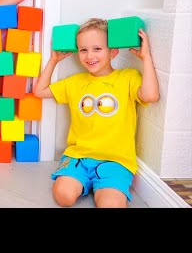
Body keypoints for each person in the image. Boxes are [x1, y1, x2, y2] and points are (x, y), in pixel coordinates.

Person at [33, 18, 159, 208]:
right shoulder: (75, 82)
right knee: (63, 196)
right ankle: (87, 182)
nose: (89, 55)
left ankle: (103, 185)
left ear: (113, 52)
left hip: (115, 160)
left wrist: (146, 58)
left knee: (111, 205)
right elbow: (39, 91)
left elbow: (150, 95)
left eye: (97, 49)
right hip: (78, 157)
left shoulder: (128, 77)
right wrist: (53, 61)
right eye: (83, 50)